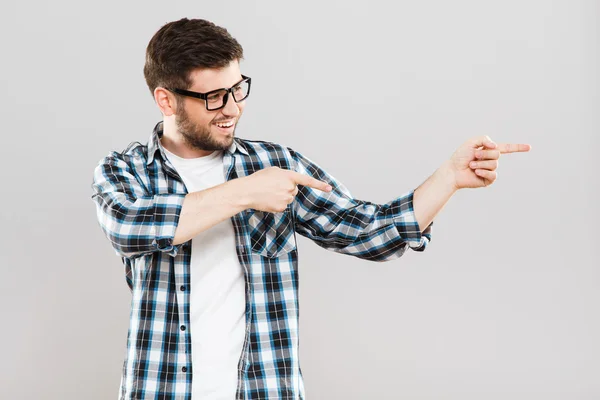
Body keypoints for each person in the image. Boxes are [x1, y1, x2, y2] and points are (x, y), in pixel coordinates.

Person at [90, 17, 531, 400]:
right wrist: (247, 193)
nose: (232, 109)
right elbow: (130, 228)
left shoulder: (276, 166)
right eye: (213, 97)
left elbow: (369, 232)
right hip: (159, 388)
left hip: (265, 389)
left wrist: (449, 177)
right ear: (166, 99)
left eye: (237, 90)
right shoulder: (125, 171)